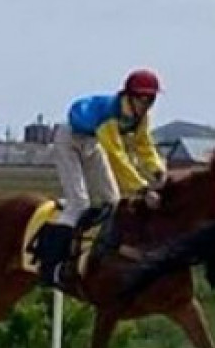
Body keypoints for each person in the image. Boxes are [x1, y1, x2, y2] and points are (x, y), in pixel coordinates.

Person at [37, 68, 166, 288]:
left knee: (113, 201)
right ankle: (50, 268)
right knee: (79, 203)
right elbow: (117, 157)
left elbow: (144, 146)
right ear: (129, 96)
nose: (145, 105)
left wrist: (158, 171)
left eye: (149, 99)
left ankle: (101, 251)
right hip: (68, 141)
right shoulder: (109, 115)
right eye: (141, 98)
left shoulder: (141, 117)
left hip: (91, 144)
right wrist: (143, 189)